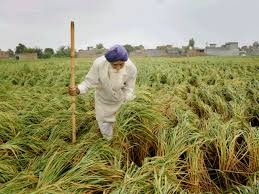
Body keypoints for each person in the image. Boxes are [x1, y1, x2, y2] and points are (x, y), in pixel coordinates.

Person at [68, 45, 137, 141]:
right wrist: (78, 89)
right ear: (109, 62)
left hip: (121, 101)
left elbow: (130, 89)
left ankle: (120, 145)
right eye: (115, 65)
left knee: (121, 128)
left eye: (121, 65)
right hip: (103, 101)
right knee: (105, 127)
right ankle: (108, 144)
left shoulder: (131, 67)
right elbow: (89, 82)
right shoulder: (99, 64)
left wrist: (124, 104)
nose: (118, 67)